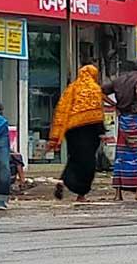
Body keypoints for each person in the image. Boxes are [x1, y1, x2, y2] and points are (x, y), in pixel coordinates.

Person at [45, 63, 107, 201]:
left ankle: (63, 180)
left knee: (74, 157)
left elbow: (62, 109)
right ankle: (81, 194)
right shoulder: (94, 89)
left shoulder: (72, 88)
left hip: (72, 130)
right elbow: (97, 113)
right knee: (88, 163)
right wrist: (102, 132)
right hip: (90, 131)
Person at [106, 60, 137, 194]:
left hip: (123, 120)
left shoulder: (119, 80)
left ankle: (118, 193)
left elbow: (100, 91)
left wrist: (113, 104)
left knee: (122, 154)